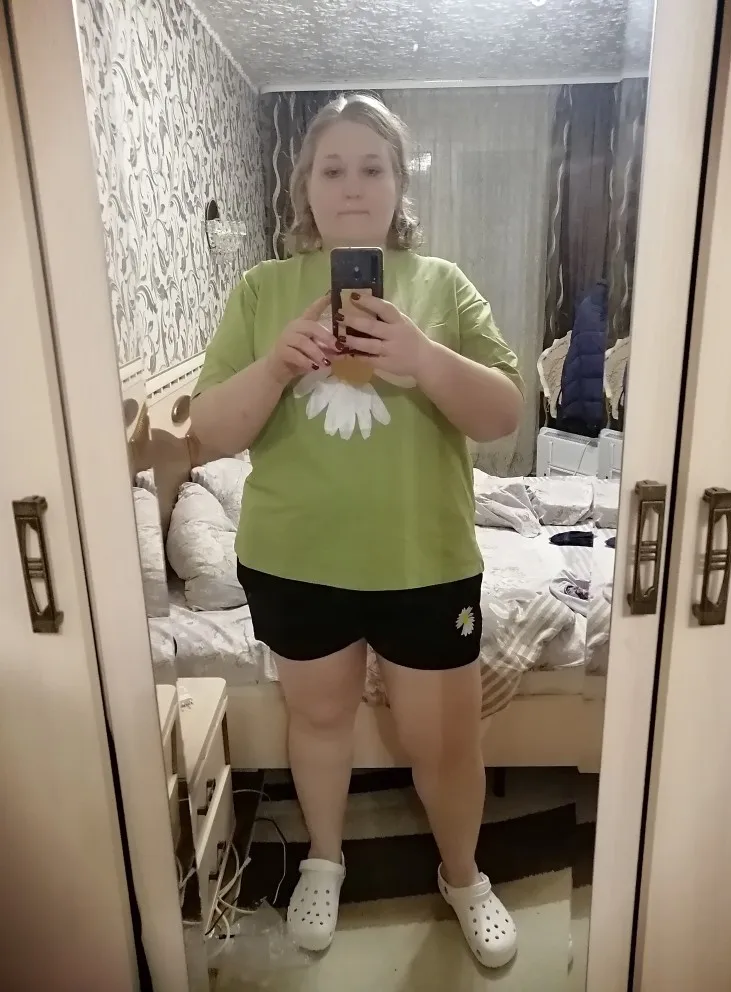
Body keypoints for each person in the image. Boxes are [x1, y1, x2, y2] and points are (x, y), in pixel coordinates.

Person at [190, 94, 525, 968]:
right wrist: (275, 364)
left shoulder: (442, 284)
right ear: (305, 184)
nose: (351, 185)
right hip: (295, 561)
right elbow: (210, 432)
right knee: (319, 720)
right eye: (331, 168)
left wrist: (423, 358)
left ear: (398, 182)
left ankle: (464, 877)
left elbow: (503, 417)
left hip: (427, 562)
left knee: (446, 740)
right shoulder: (260, 290)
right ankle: (327, 860)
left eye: (372, 167)